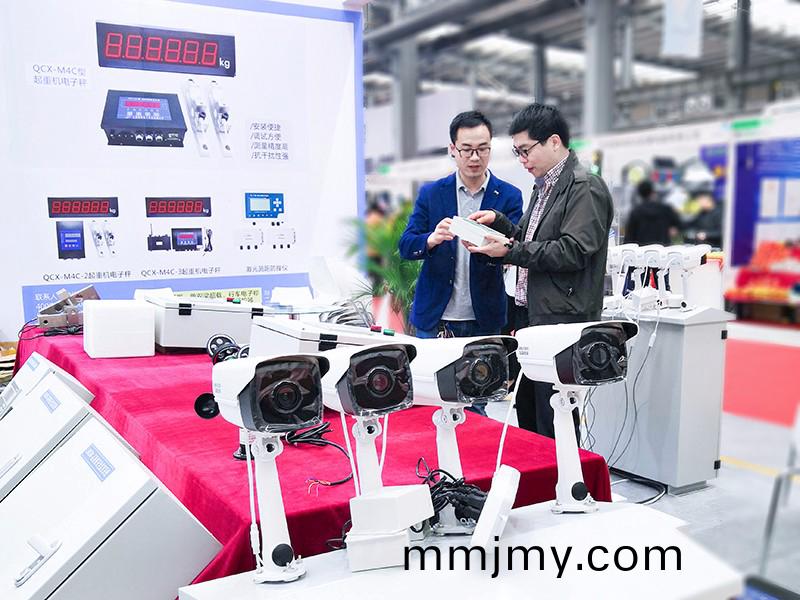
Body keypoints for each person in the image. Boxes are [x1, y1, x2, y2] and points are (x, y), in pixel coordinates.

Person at [464, 103, 614, 438]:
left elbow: (573, 250)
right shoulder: (543, 186)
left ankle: (566, 472)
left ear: (554, 142)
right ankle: (543, 470)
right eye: (517, 152)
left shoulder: (584, 187)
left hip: (560, 318)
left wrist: (511, 250)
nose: (522, 160)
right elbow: (532, 239)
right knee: (529, 411)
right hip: (532, 315)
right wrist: (501, 224)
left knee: (555, 415)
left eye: (526, 150)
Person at [399, 110, 523, 414]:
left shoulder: (508, 196)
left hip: (485, 318)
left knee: (478, 406)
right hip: (437, 318)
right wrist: (431, 239)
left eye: (482, 149)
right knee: (432, 404)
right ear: (452, 149)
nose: (475, 157)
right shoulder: (432, 193)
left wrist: (499, 249)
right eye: (467, 149)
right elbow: (406, 245)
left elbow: (518, 247)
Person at [624, 180, 681, 246]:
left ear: (639, 194)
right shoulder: (665, 209)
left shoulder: (636, 212)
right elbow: (679, 225)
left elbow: (629, 237)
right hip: (663, 249)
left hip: (642, 250)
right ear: (652, 192)